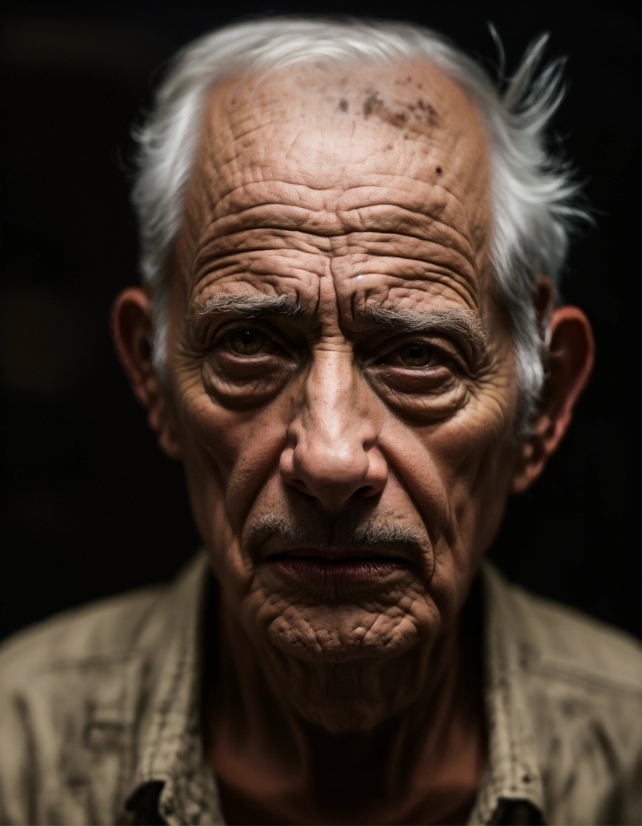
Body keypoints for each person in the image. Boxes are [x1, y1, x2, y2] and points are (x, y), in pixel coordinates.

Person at [0, 16, 639, 826]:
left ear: (542, 401)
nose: (331, 459)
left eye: (416, 354)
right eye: (248, 344)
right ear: (152, 376)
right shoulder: (17, 762)